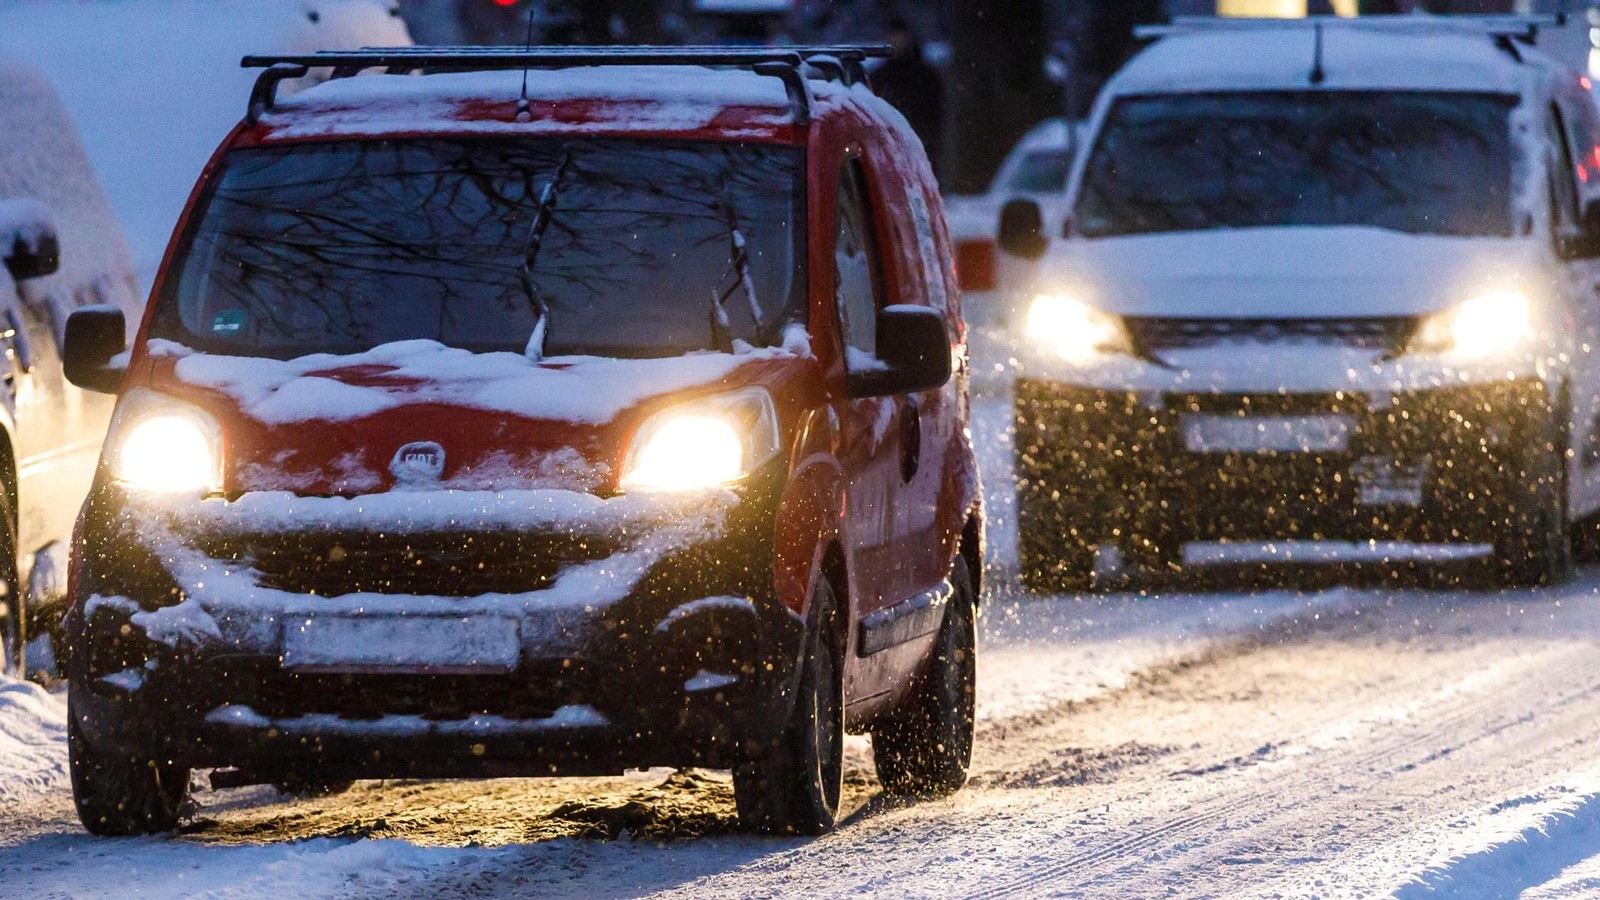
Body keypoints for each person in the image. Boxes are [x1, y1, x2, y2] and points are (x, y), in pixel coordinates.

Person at [871, 17, 944, 163]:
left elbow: (935, 114)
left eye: (899, 36)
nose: (896, 41)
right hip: (890, 145)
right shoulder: (880, 76)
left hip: (920, 145)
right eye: (893, 37)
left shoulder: (925, 76)